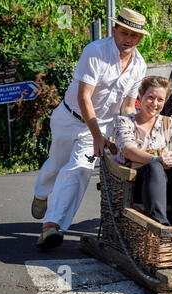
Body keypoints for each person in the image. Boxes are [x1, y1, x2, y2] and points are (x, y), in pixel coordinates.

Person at [31, 8, 149, 249]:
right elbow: (85, 98)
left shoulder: (140, 66)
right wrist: (97, 134)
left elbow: (127, 105)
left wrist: (125, 135)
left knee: (79, 169)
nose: (128, 39)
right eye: (124, 32)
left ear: (141, 38)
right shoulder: (94, 51)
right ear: (114, 30)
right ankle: (41, 193)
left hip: (101, 124)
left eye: (134, 36)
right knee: (56, 164)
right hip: (69, 117)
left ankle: (52, 226)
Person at [113, 76, 172, 226]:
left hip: (168, 184)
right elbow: (128, 150)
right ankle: (160, 226)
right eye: (150, 98)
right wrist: (156, 159)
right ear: (141, 96)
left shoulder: (169, 122)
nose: (155, 104)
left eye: (160, 100)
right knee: (155, 167)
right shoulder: (125, 122)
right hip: (136, 184)